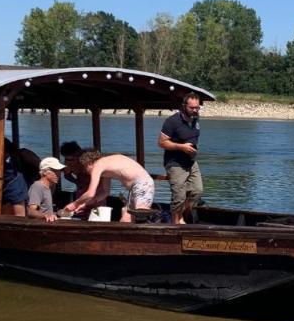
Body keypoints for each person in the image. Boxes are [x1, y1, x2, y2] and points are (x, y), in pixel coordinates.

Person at [64, 151, 154, 223]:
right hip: (134, 188)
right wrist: (85, 204)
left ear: (89, 163)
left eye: (85, 168)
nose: (86, 172)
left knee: (140, 216)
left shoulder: (98, 165)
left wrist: (74, 204)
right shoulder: (106, 168)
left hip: (143, 184)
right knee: (125, 219)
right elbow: (105, 193)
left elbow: (90, 193)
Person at [158, 92, 203, 223]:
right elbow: (161, 142)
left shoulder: (196, 119)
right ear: (184, 106)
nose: (195, 110)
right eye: (192, 108)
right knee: (178, 196)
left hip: (191, 162)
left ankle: (180, 214)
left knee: (197, 191)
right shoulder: (172, 121)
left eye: (197, 107)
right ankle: (176, 222)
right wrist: (181, 147)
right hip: (175, 163)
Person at [28, 156, 65, 222]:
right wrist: (45, 215)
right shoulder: (37, 186)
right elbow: (31, 211)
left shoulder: (50, 187)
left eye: (59, 171)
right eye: (55, 171)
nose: (58, 174)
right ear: (45, 172)